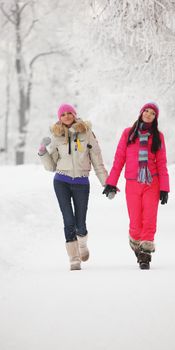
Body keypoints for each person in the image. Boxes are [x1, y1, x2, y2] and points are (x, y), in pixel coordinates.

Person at [38, 104, 108, 271]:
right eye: (63, 114)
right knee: (68, 220)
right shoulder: (56, 136)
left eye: (70, 113)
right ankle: (73, 258)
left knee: (80, 224)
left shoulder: (87, 133)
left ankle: (82, 245)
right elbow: (51, 166)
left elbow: (97, 160)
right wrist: (42, 151)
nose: (67, 116)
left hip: (81, 182)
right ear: (59, 117)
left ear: (75, 115)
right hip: (61, 181)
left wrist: (107, 183)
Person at [103, 102, 170, 270]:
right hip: (132, 183)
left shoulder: (158, 136)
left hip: (151, 183)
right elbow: (119, 159)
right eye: (146, 111)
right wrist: (111, 183)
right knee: (135, 221)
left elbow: (162, 163)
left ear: (155, 118)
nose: (148, 114)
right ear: (141, 113)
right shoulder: (128, 134)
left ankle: (145, 255)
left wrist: (164, 188)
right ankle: (136, 243)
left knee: (149, 218)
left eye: (152, 113)